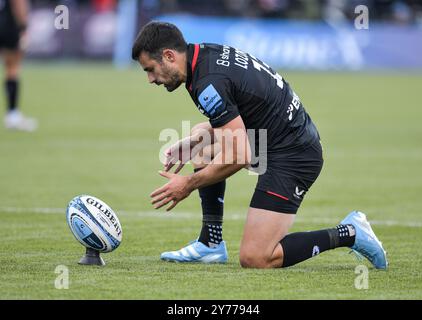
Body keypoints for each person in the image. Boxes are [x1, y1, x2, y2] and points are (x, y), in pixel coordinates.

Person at [132, 21, 388, 269]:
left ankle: (351, 232)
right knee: (200, 136)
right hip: (276, 138)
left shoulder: (208, 81)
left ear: (168, 55)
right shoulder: (204, 56)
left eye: (150, 69)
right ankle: (210, 244)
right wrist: (196, 141)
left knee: (256, 258)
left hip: (294, 154)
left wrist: (186, 184)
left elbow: (239, 155)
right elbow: (247, 111)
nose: (151, 79)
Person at [0, 0, 37, 131]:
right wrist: (23, 29)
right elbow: (19, 3)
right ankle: (12, 115)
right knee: (12, 67)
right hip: (7, 24)